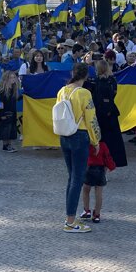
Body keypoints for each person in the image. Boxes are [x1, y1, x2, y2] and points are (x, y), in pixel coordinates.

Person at [55, 62, 100, 233]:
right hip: (79, 136)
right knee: (77, 178)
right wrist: (96, 141)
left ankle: (70, 215)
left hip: (64, 135)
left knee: (71, 177)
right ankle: (70, 221)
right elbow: (91, 119)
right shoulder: (84, 93)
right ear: (86, 76)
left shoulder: (62, 90)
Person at [90, 59, 127, 167]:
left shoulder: (96, 81)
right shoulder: (111, 81)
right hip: (109, 113)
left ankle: (100, 164)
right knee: (111, 142)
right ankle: (106, 165)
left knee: (100, 140)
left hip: (99, 114)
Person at [79, 138, 116, 223]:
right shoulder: (103, 145)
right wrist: (111, 166)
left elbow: (81, 156)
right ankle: (97, 215)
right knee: (99, 193)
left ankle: (86, 210)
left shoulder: (87, 144)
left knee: (86, 190)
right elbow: (107, 157)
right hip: (100, 169)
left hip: (89, 169)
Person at [0, 70, 19, 151]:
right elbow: (1, 104)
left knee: (11, 129)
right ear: (6, 79)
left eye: (14, 77)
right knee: (6, 129)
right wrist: (2, 114)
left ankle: (9, 144)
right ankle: (5, 145)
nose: (13, 79)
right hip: (6, 112)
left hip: (13, 112)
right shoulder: (2, 91)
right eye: (10, 78)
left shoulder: (13, 90)